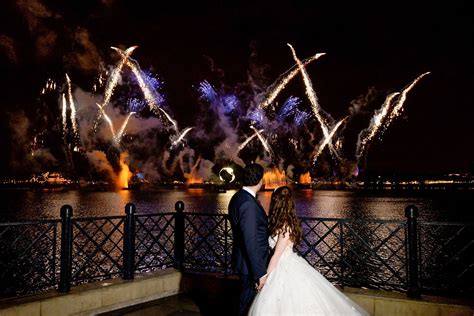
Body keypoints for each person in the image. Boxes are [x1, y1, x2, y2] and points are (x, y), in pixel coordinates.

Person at [249, 186, 369, 316]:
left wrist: (265, 277)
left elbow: (277, 255)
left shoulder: (285, 225)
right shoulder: (283, 222)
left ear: (276, 203)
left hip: (282, 266)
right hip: (284, 264)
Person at [228, 163, 269, 316]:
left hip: (244, 261)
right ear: (260, 181)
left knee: (244, 301)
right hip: (250, 265)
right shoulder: (248, 204)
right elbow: (250, 240)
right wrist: (260, 273)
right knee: (246, 304)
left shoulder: (237, 198)